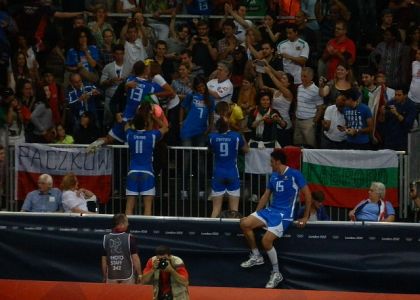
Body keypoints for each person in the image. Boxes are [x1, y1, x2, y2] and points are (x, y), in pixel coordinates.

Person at [240, 150, 311, 288]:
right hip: (271, 210)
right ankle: (256, 256)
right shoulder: (273, 176)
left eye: (271, 161)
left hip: (285, 215)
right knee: (245, 223)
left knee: (266, 241)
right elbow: (265, 196)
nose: (270, 164)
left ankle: (276, 273)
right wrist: (254, 214)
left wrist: (305, 216)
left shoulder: (295, 174)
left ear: (278, 161)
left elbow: (308, 195)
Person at [125, 104, 169, 216]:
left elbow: (126, 126)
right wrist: (152, 116)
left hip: (133, 171)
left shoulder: (130, 135)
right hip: (147, 172)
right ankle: (145, 231)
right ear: (146, 123)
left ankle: (126, 230)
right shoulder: (152, 135)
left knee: (129, 206)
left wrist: (137, 116)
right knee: (147, 207)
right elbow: (165, 127)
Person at [208, 117, 249, 218]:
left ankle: (209, 231)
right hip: (232, 173)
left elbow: (211, 149)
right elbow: (246, 149)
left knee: (216, 208)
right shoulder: (236, 136)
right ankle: (233, 232)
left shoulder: (212, 137)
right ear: (228, 126)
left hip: (218, 173)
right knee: (234, 210)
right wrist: (241, 133)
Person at [101, 213, 142, 284]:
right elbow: (135, 258)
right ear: (121, 224)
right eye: (126, 222)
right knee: (128, 295)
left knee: (112, 295)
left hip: (111, 277)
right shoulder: (130, 238)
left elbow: (104, 260)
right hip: (127, 276)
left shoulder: (106, 238)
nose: (128, 224)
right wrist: (140, 274)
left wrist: (104, 276)